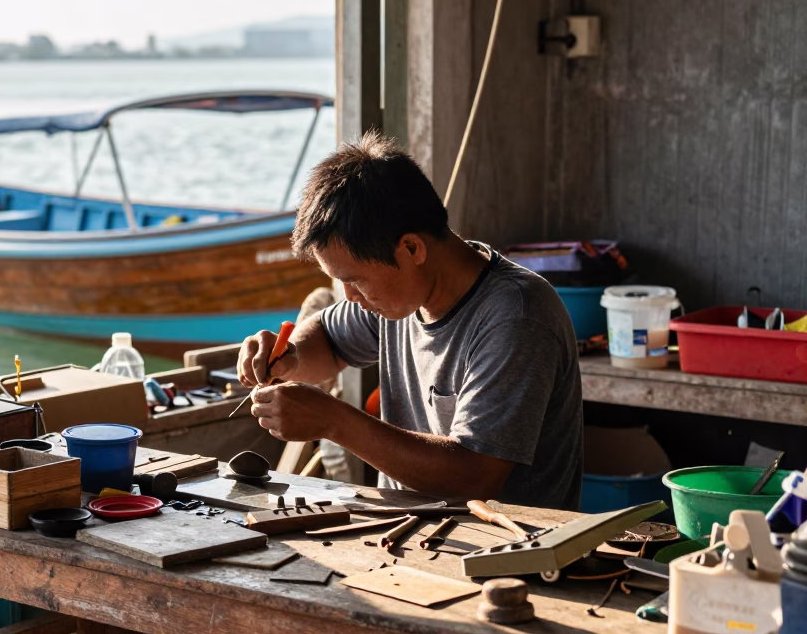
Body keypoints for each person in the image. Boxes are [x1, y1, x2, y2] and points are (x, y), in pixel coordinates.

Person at [238, 132, 583, 509]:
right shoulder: (398, 294)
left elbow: (475, 478)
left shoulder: (515, 317)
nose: (349, 297)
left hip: (508, 552)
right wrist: (290, 355)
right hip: (407, 533)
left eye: (354, 280)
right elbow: (329, 338)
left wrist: (334, 421)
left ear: (411, 248)